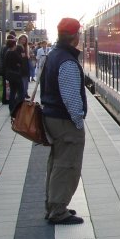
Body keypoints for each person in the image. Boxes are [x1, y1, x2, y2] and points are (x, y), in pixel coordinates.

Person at [41, 18, 86, 225]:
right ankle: (58, 210)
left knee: (56, 162)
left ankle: (53, 205)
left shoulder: (53, 55)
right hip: (64, 120)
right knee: (67, 165)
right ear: (75, 36)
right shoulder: (67, 61)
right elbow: (70, 97)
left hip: (52, 116)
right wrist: (78, 120)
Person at [2, 35, 24, 116]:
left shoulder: (7, 53)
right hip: (16, 75)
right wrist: (18, 63)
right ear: (14, 45)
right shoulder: (14, 53)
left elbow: (5, 64)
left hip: (9, 75)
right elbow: (20, 61)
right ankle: (19, 108)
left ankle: (11, 109)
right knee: (21, 92)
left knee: (12, 92)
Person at [0, 30, 16, 104]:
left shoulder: (3, 47)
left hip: (3, 68)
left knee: (5, 84)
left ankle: (5, 99)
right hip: (7, 69)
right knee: (8, 85)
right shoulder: (8, 48)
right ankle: (7, 99)